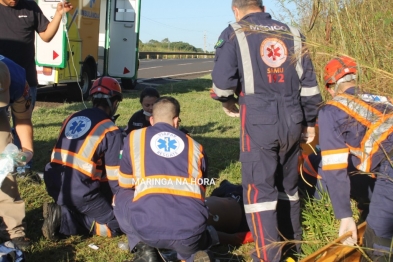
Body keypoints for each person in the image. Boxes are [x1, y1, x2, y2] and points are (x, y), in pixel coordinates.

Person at [210, 0, 322, 261]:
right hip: (294, 117)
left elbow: (222, 84)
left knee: (259, 193)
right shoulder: (293, 33)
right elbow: (309, 85)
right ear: (261, 6)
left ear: (235, 9)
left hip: (259, 118)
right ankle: (293, 247)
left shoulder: (234, 31)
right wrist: (309, 122)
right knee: (288, 187)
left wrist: (228, 102)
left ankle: (268, 256)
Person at [114, 97, 219, 262]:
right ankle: (189, 256)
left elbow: (125, 184)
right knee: (189, 242)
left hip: (146, 227)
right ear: (176, 121)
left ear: (151, 120)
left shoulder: (134, 138)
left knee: (121, 194)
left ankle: (142, 245)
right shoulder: (197, 147)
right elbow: (200, 192)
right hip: (190, 230)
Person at [317, 56, 393, 261]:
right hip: (387, 164)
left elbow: (334, 167)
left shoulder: (331, 109)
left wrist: (345, 216)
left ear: (330, 87)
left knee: (377, 239)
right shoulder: (381, 99)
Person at [42, 77, 124, 240]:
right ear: (114, 103)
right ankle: (64, 217)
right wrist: (123, 203)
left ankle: (66, 207)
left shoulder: (71, 118)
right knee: (116, 225)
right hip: (80, 190)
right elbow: (115, 178)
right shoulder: (110, 130)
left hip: (54, 182)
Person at [0, 0, 73, 173]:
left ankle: (22, 167)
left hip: (25, 79)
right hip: (1, 79)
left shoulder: (30, 6)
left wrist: (59, 14)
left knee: (22, 119)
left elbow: (46, 35)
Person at [0, 55, 34, 250]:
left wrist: (27, 149)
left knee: (4, 160)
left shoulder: (19, 81)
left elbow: (22, 119)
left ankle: (13, 229)